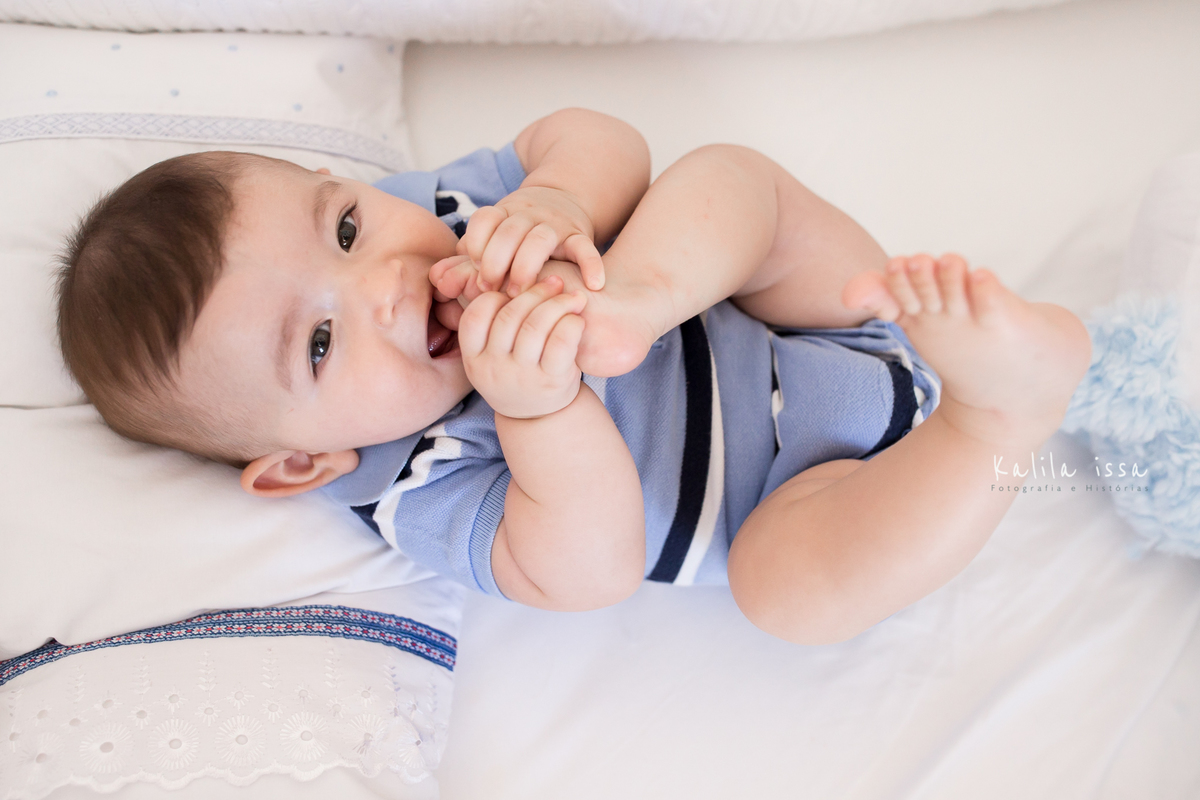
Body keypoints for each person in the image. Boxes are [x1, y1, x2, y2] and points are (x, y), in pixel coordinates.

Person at [57, 108, 1091, 644]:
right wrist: (538, 408)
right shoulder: (412, 483)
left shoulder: (454, 216)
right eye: (320, 344)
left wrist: (558, 197)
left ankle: (639, 298)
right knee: (787, 594)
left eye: (344, 223)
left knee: (727, 178)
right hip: (811, 496)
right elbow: (589, 571)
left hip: (817, 304)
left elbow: (600, 139)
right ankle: (994, 418)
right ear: (301, 460)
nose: (379, 281)